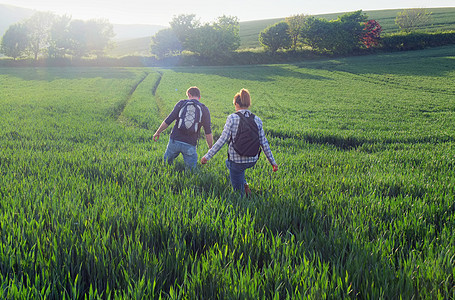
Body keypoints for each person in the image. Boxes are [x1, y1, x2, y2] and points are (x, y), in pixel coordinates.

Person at [201, 88, 278, 195]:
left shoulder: (232, 118)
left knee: (238, 193)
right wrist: (273, 163)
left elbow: (222, 140)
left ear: (236, 104)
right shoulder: (257, 119)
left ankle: (244, 199)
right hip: (252, 159)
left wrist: (207, 156)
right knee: (228, 163)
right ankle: (244, 184)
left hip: (236, 161)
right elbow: (264, 143)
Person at [153, 86, 213, 169]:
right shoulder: (204, 109)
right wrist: (210, 147)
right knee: (191, 171)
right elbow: (208, 131)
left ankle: (164, 175)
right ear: (199, 97)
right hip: (190, 144)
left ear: (188, 94)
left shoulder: (181, 104)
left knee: (166, 164)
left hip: (174, 141)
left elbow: (168, 120)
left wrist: (158, 132)